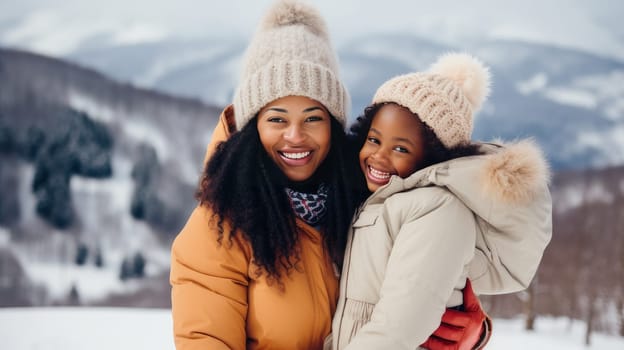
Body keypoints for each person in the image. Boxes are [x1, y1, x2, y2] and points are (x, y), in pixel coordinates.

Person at [169, 1, 489, 349]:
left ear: (333, 126)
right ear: (252, 129)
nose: (295, 135)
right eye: (277, 119)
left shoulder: (368, 200)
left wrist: (470, 335)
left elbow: (419, 297)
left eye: (313, 118)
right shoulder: (219, 229)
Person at [331, 52, 553, 349]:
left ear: (434, 157)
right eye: (374, 139)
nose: (379, 156)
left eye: (401, 148)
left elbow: (398, 329)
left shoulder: (436, 210)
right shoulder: (378, 201)